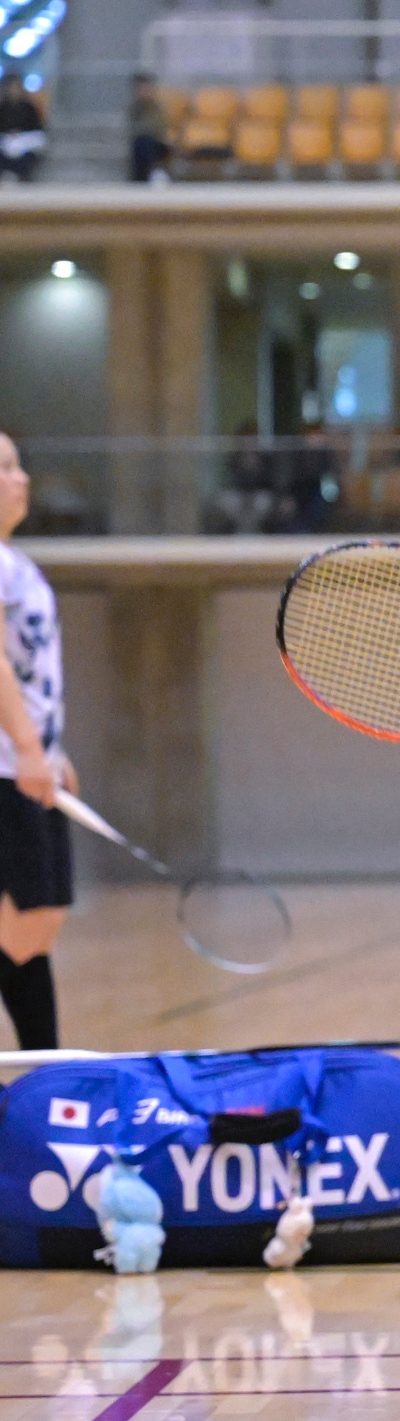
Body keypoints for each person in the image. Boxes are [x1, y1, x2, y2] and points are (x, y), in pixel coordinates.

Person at [0, 432, 73, 1053]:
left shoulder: (17, 565)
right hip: (5, 766)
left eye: (18, 465)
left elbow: (32, 673)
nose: (20, 478)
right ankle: (44, 1068)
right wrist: (26, 749)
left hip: (28, 761)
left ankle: (44, 1070)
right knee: (25, 918)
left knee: (38, 925)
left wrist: (51, 750)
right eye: (4, 468)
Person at [0, 74, 46, 182]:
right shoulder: (3, 108)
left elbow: (37, 127)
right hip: (6, 140)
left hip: (25, 139)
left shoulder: (28, 107)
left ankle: (22, 174)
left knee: (32, 147)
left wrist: (21, 135)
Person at [127, 74, 172, 183]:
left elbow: (159, 129)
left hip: (158, 143)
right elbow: (133, 129)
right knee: (140, 144)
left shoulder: (157, 108)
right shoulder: (135, 109)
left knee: (145, 143)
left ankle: (150, 174)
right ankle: (141, 177)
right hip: (142, 143)